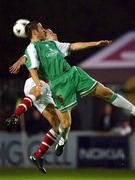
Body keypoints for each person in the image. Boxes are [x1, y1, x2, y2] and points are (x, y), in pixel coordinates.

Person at [22, 21, 135, 156]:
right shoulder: (32, 48)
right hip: (58, 85)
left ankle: (133, 109)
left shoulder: (52, 44)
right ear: (34, 32)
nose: (44, 30)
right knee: (65, 124)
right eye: (41, 28)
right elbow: (32, 68)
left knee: (106, 92)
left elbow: (73, 46)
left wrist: (96, 44)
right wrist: (38, 83)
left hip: (74, 74)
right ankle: (63, 140)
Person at [6, 29, 62, 174]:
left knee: (58, 127)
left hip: (47, 90)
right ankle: (16, 114)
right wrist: (21, 60)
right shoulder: (42, 44)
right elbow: (28, 55)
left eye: (50, 31)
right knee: (39, 89)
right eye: (49, 31)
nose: (51, 32)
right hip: (35, 82)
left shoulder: (57, 47)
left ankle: (37, 156)